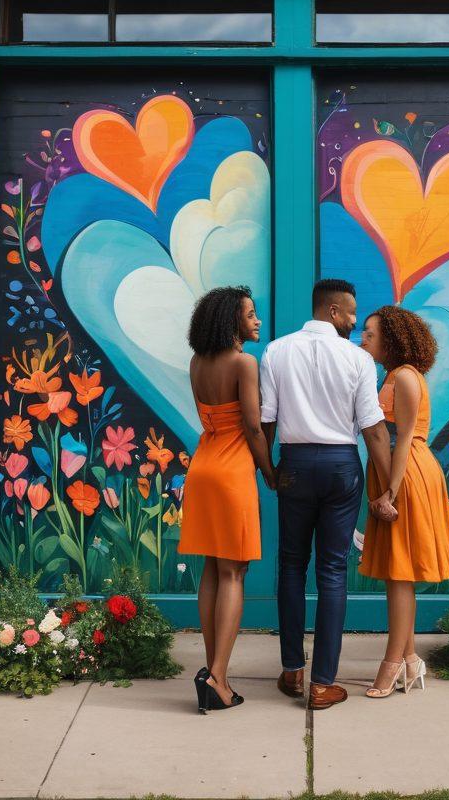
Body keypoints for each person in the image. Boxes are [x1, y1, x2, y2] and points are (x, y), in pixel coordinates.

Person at [260, 278, 395, 711]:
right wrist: (390, 486)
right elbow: (373, 429)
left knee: (291, 565)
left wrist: (269, 470)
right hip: (340, 466)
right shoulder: (358, 359)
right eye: (351, 313)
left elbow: (266, 421)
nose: (355, 322)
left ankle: (291, 671)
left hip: (295, 465)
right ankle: (322, 684)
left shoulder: (275, 351)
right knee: (333, 570)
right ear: (333, 311)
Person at [358, 305, 449, 698]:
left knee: (400, 575)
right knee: (398, 574)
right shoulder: (397, 374)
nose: (363, 340)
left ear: (390, 340)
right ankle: (410, 660)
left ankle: (391, 664)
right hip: (401, 470)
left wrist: (391, 489)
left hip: (406, 473)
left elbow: (403, 438)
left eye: (370, 334)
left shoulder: (403, 376)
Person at [179, 286, 275, 713]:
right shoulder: (243, 363)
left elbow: (212, 418)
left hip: (202, 467)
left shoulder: (197, 362)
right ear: (231, 320)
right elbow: (252, 427)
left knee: (212, 570)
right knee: (234, 573)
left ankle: (214, 671)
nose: (257, 321)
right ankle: (217, 677)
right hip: (233, 470)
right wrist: (269, 472)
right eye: (250, 314)